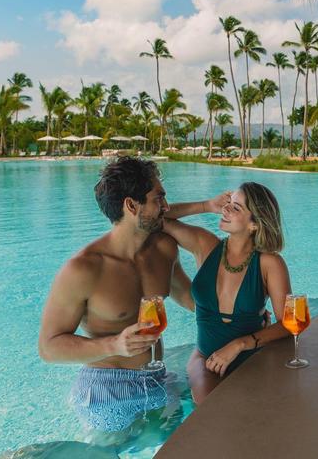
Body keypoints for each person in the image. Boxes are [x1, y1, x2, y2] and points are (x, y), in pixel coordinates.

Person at [38, 156, 228, 432]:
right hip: (106, 389)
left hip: (157, 377)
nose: (166, 206)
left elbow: (190, 299)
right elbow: (48, 347)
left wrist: (238, 317)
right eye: (159, 198)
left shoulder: (163, 249)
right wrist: (114, 345)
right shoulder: (84, 269)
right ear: (130, 205)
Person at [162, 182, 293, 403]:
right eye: (228, 203)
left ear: (254, 225)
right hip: (206, 359)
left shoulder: (270, 264)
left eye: (236, 208)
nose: (226, 209)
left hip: (253, 357)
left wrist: (240, 344)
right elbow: (158, 218)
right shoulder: (206, 246)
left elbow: (288, 323)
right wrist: (207, 205)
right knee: (208, 417)